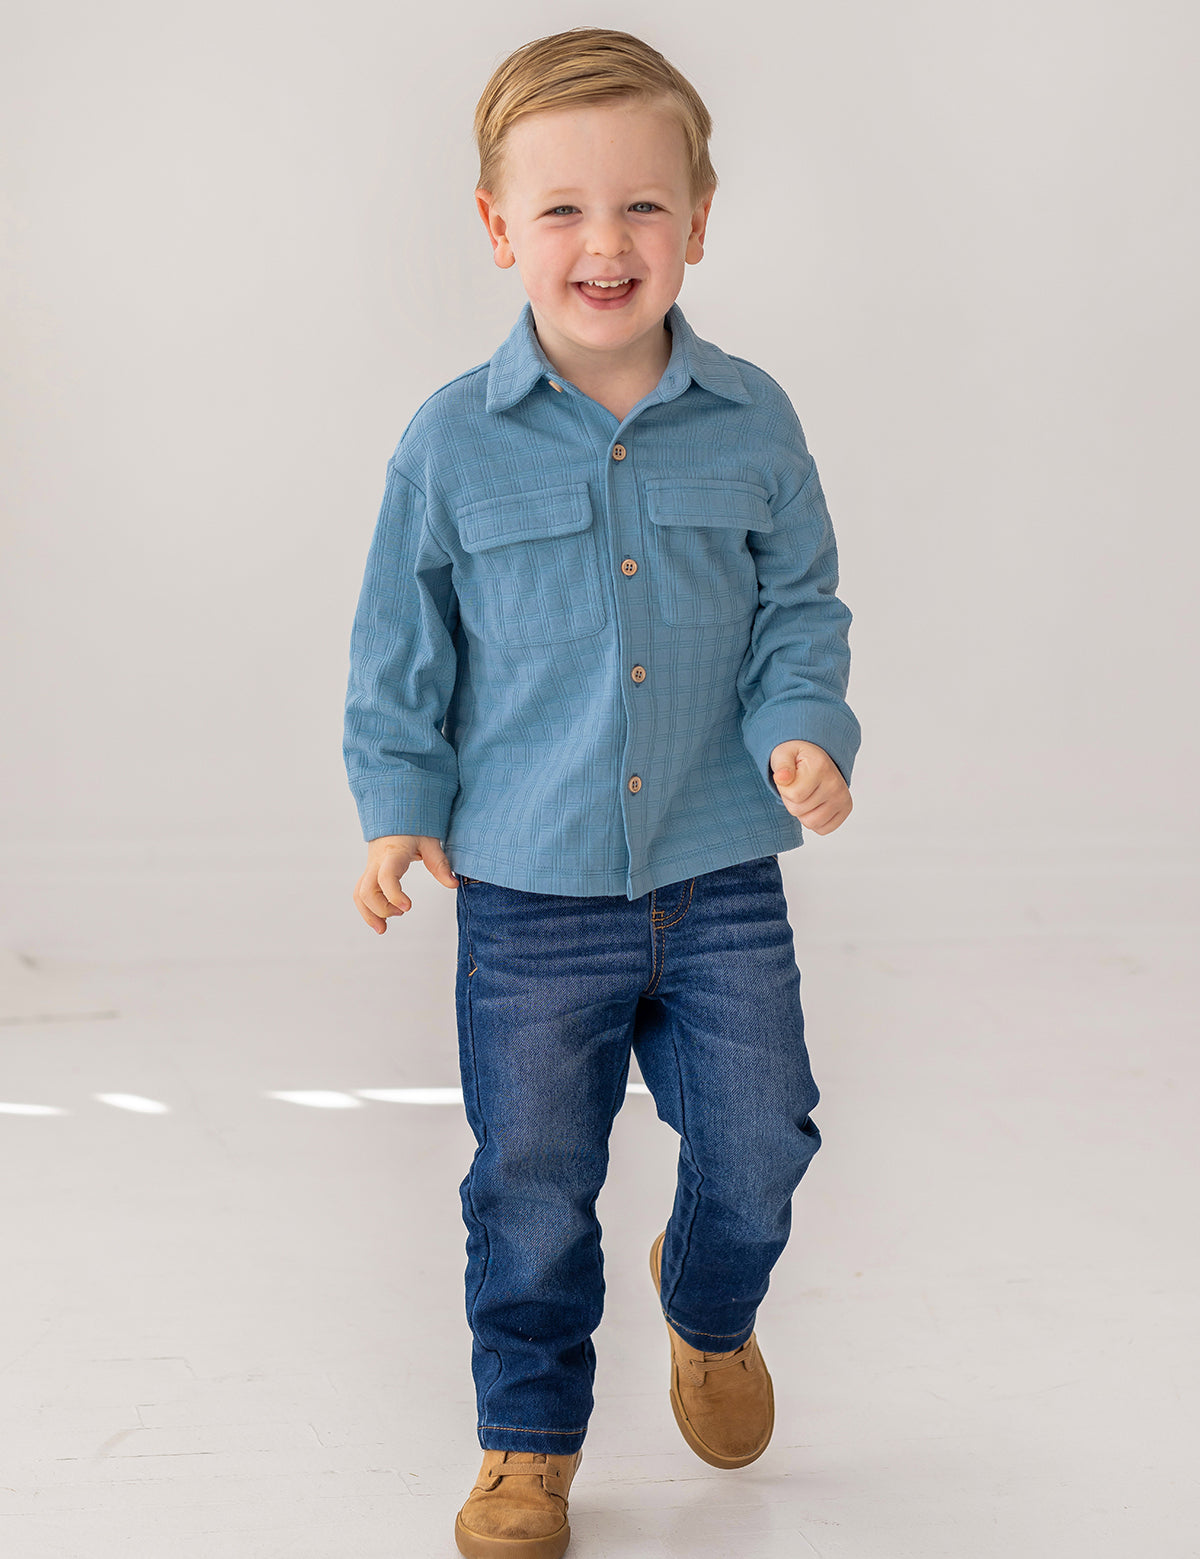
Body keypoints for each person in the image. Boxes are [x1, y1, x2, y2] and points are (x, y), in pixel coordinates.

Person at [343, 26, 862, 1559]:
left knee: (764, 1135)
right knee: (529, 1182)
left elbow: (801, 610)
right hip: (527, 892)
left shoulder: (754, 420)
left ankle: (708, 1306)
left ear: (698, 221)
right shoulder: (449, 445)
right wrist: (396, 806)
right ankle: (526, 1445)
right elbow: (400, 650)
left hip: (718, 874)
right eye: (561, 208)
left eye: (643, 205)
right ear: (500, 228)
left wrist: (806, 725)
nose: (604, 241)